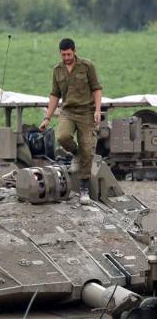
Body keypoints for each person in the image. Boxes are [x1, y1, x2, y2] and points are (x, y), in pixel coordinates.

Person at [39, 38, 102, 205]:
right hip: (67, 112)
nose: (66, 57)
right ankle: (76, 154)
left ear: (74, 51)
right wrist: (47, 118)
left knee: (88, 149)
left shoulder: (87, 66)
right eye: (63, 55)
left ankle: (84, 189)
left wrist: (97, 110)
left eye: (68, 54)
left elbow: (96, 89)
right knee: (62, 137)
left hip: (86, 113)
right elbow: (54, 94)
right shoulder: (57, 70)